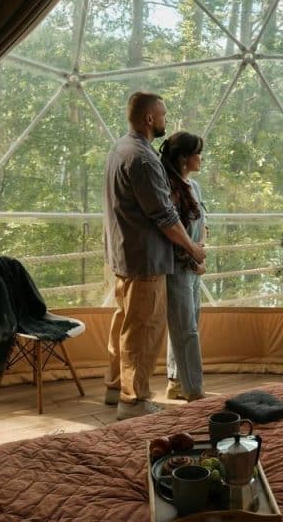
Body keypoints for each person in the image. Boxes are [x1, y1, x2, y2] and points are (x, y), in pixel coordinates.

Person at [103, 92, 206, 420]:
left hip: (124, 255)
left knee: (125, 322)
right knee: (142, 329)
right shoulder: (144, 159)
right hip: (144, 259)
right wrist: (192, 249)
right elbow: (164, 216)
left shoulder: (122, 147)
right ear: (150, 119)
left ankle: (114, 386)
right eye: (162, 114)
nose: (165, 119)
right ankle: (132, 401)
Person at [159, 131, 207, 402]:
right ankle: (194, 391)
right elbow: (172, 235)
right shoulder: (169, 190)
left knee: (189, 325)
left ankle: (176, 381)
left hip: (194, 265)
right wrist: (194, 261)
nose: (201, 158)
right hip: (179, 268)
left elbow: (202, 225)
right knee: (185, 329)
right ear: (183, 158)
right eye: (197, 152)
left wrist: (201, 255)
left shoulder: (195, 187)